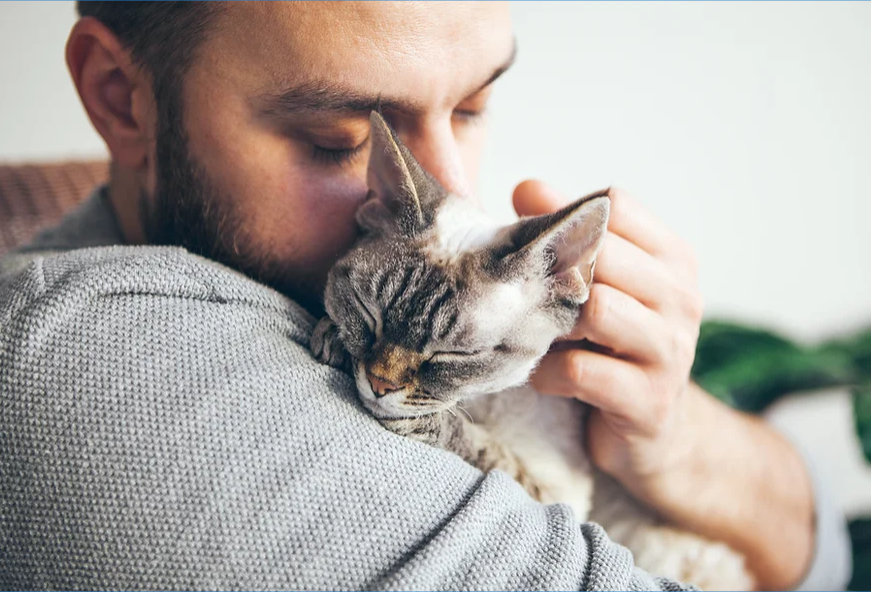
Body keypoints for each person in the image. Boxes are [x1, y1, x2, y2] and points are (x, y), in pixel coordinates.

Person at [0, 2, 850, 590]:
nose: (449, 191)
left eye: (475, 103)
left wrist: (676, 441)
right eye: (342, 139)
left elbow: (814, 558)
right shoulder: (94, 365)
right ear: (121, 97)